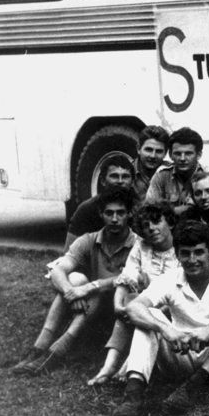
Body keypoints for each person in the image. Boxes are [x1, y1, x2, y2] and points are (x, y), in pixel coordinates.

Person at [110, 221, 209, 416]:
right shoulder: (170, 279)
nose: (192, 260)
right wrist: (167, 330)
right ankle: (133, 396)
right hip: (181, 352)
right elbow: (135, 307)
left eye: (199, 252)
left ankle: (194, 386)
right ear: (177, 254)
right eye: (185, 253)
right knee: (148, 315)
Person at [14, 186, 139, 375]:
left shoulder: (138, 244)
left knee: (93, 290)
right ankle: (39, 348)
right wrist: (70, 292)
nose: (114, 219)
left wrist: (89, 288)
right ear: (100, 214)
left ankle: (56, 353)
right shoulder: (89, 240)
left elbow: (131, 279)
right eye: (109, 213)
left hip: (120, 311)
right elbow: (58, 269)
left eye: (120, 213)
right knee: (74, 278)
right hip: (89, 308)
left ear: (129, 214)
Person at [87, 202, 180, 386]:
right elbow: (127, 276)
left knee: (139, 308)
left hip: (173, 312)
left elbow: (179, 292)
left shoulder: (181, 249)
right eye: (146, 225)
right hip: (143, 305)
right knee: (130, 303)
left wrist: (141, 308)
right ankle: (109, 366)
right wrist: (118, 305)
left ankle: (127, 368)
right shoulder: (142, 247)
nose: (151, 228)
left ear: (169, 222)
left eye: (156, 221)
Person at [63, 155, 135, 252]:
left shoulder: (140, 209)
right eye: (114, 176)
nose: (120, 181)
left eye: (125, 177)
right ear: (102, 180)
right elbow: (69, 252)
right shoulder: (87, 209)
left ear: (133, 182)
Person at [146, 127, 205, 215]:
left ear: (199, 155)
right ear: (170, 155)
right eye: (177, 153)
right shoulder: (162, 175)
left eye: (188, 153)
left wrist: (168, 211)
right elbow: (149, 210)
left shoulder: (207, 177)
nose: (182, 158)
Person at [133, 125, 170, 199]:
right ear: (138, 149)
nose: (153, 156)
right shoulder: (125, 172)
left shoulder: (172, 173)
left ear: (165, 153)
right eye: (148, 150)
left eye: (159, 151)